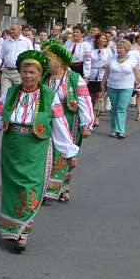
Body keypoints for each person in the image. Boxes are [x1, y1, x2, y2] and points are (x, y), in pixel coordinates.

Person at [0, 50, 79, 253]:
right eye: (25, 71)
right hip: (12, 147)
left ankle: (24, 233)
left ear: (40, 74)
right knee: (12, 189)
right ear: (20, 72)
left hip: (35, 148)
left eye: (32, 72)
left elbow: (60, 125)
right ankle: (11, 230)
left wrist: (70, 152)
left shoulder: (49, 96)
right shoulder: (10, 93)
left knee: (30, 187)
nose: (28, 76)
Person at [42, 41, 92, 203]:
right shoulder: (45, 78)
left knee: (65, 153)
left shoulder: (74, 79)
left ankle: (62, 188)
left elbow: (85, 101)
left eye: (49, 59)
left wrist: (86, 123)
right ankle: (46, 188)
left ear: (61, 62)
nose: (46, 62)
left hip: (70, 121)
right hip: (49, 121)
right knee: (48, 153)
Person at [102, 38, 140, 139]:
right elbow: (107, 72)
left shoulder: (132, 60)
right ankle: (113, 129)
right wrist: (103, 84)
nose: (119, 50)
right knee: (114, 108)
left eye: (121, 48)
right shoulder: (112, 58)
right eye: (118, 48)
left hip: (126, 87)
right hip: (112, 86)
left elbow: (138, 75)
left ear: (127, 49)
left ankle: (120, 131)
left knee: (121, 108)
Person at [0, 22, 33, 95]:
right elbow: (1, 56)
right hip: (6, 72)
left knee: (19, 94)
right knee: (4, 94)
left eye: (13, 29)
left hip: (19, 72)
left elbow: (31, 57)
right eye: (10, 29)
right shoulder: (6, 41)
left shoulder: (27, 42)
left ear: (19, 30)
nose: (11, 31)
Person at [85, 32, 112, 115]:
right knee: (92, 97)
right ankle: (91, 114)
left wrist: (107, 65)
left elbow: (111, 62)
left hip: (102, 75)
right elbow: (88, 62)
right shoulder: (92, 51)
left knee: (99, 96)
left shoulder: (108, 51)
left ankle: (97, 116)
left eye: (105, 39)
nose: (104, 40)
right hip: (92, 75)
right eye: (102, 38)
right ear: (97, 40)